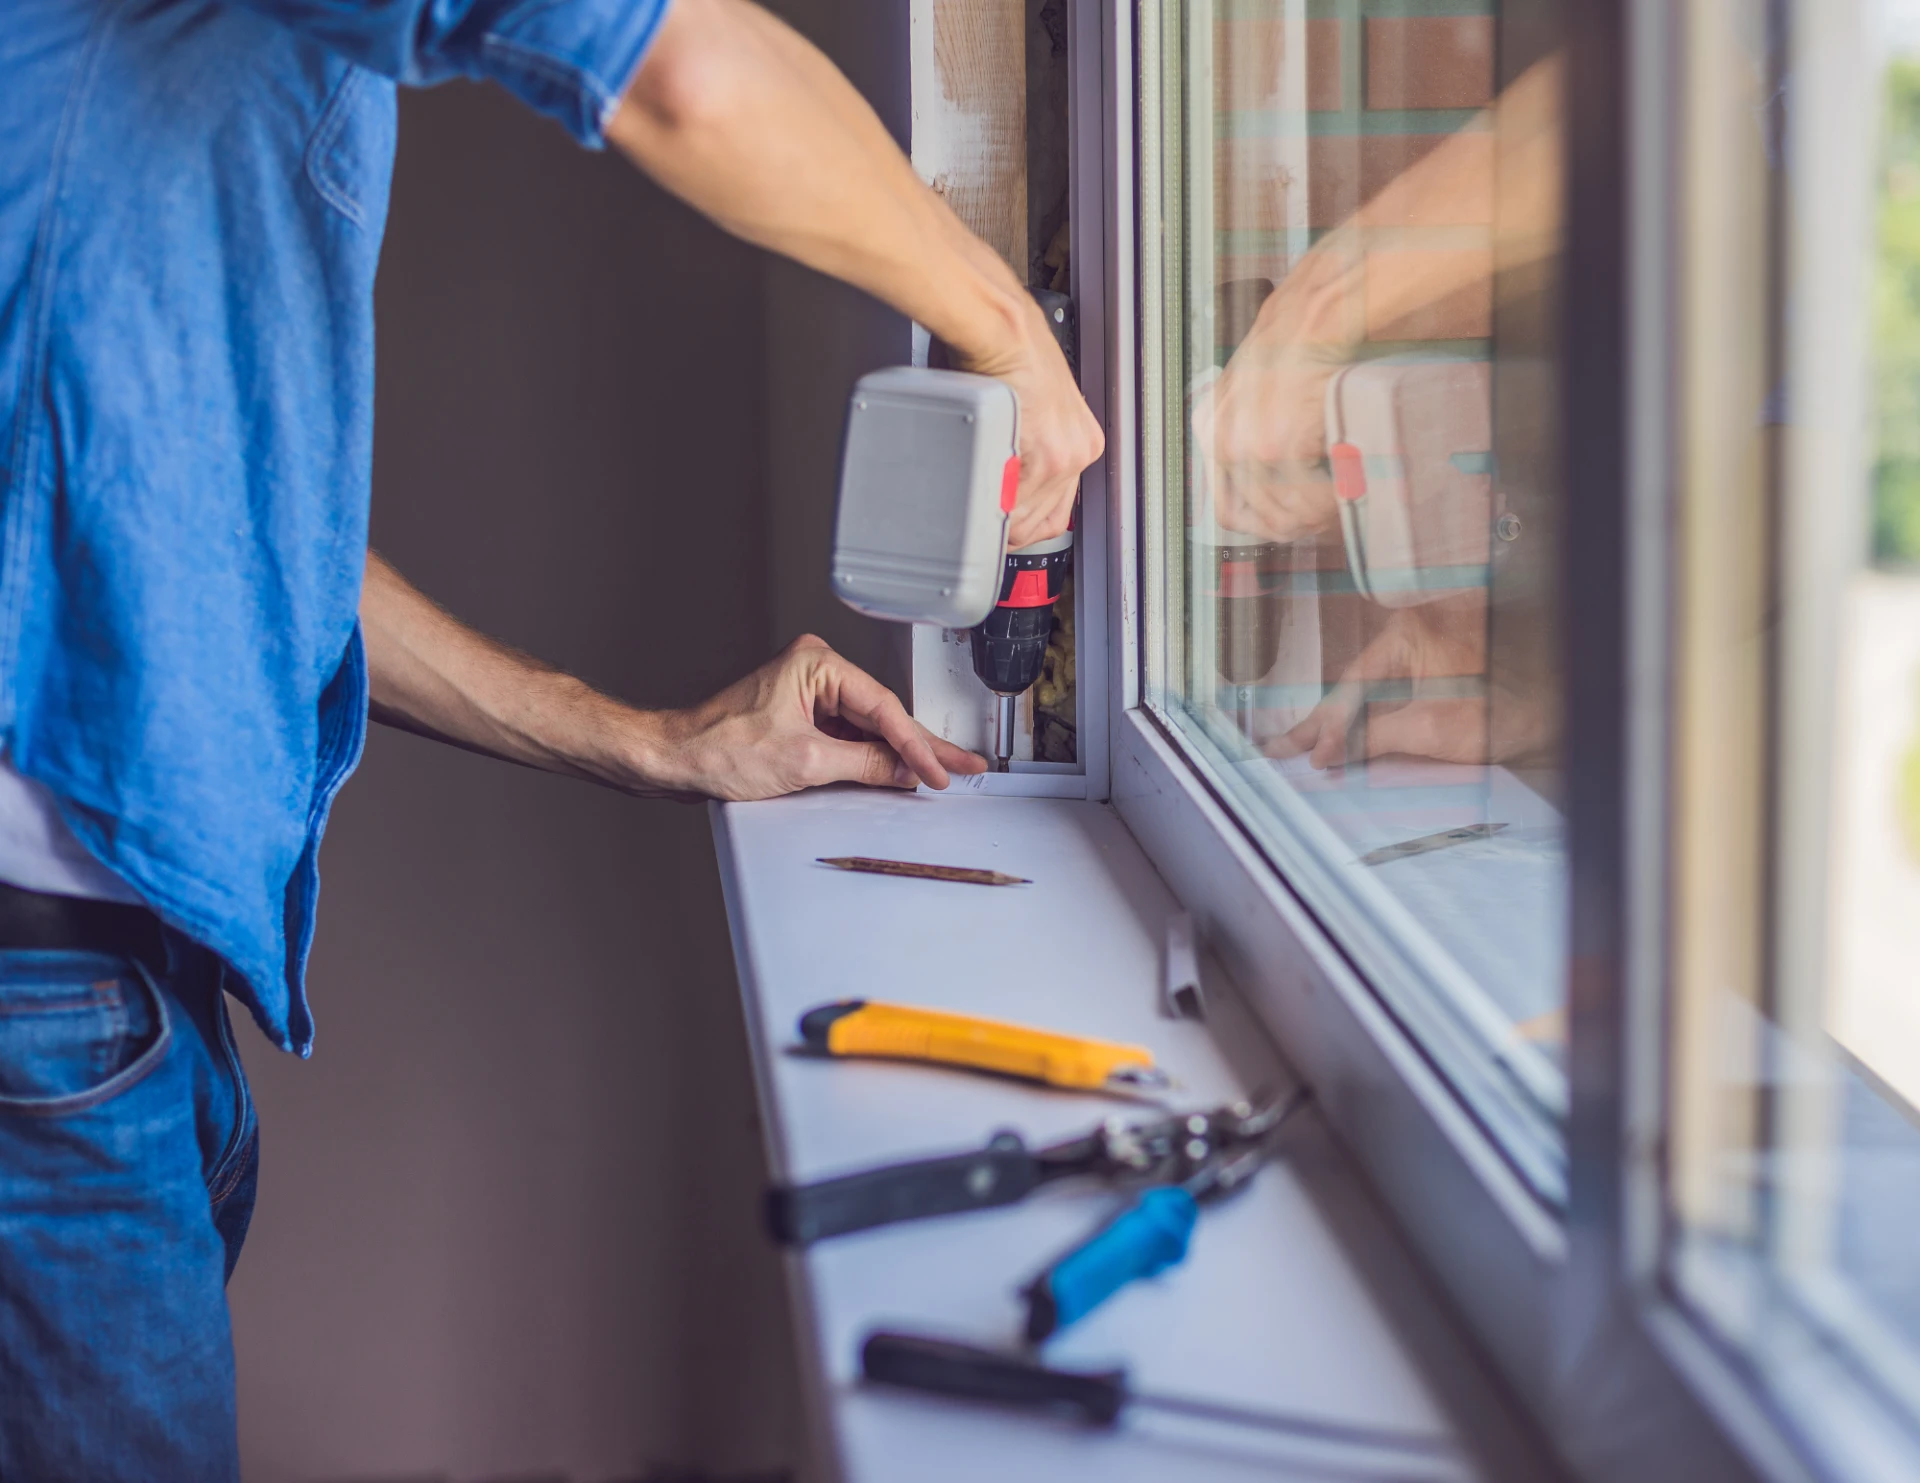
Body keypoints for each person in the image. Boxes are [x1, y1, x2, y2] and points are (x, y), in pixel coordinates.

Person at [0, 0, 1103, 1475]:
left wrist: (656, 742)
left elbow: (234, 540)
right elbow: (682, 71)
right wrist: (1013, 333)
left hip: (115, 983)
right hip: (44, 991)